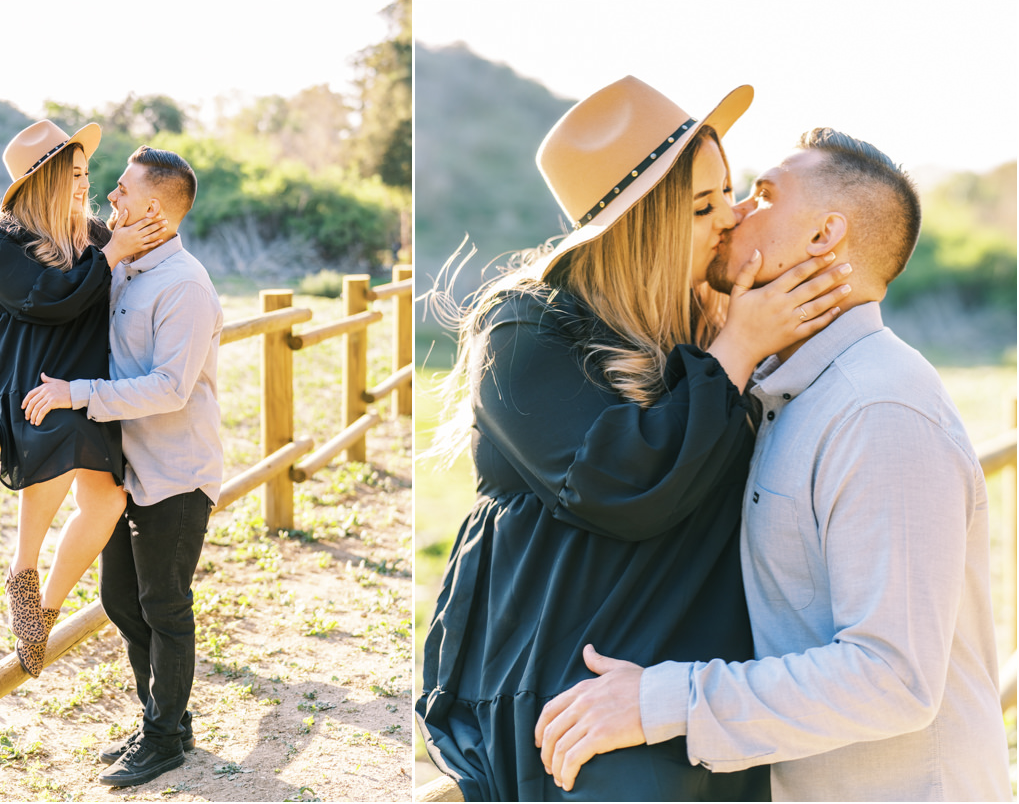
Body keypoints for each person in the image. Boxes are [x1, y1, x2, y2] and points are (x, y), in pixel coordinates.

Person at [535, 128, 1012, 802]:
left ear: (822, 239)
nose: (733, 213)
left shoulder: (878, 408)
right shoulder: (780, 392)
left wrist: (659, 700)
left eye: (761, 196)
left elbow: (892, 679)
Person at [417, 77, 854, 801]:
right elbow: (623, 487)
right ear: (637, 223)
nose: (730, 218)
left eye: (729, 192)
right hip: (570, 676)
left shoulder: (714, 317)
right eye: (702, 205)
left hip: (692, 678)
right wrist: (737, 351)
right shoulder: (528, 326)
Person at [21, 145, 224, 789]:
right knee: (119, 598)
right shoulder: (126, 267)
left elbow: (170, 387)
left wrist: (75, 392)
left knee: (164, 604)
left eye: (121, 191)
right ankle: (164, 719)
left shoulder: (184, 284)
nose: (111, 199)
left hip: (176, 472)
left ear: (155, 207)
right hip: (124, 470)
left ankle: (164, 737)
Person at [0, 120, 166, 678]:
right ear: (44, 180)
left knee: (108, 500)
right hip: (21, 371)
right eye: (73, 174)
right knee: (58, 429)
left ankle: (44, 607)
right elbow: (50, 302)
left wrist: (142, 233)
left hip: (78, 374)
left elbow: (142, 257)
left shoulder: (93, 232)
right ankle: (22, 568)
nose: (84, 183)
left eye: (86, 173)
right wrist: (114, 252)